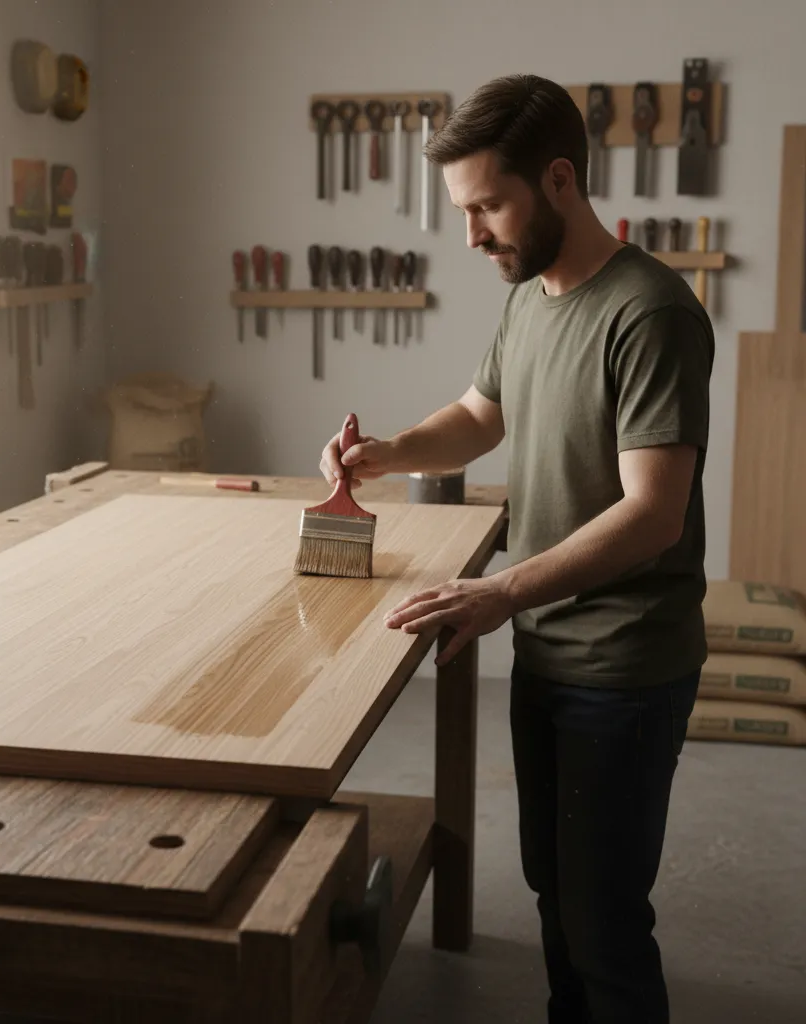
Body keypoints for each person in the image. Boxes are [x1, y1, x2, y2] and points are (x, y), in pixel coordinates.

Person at [319, 74, 713, 1024]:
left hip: (622, 664)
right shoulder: (534, 298)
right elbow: (477, 416)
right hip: (550, 646)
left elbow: (654, 513)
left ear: (561, 180)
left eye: (488, 205)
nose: (472, 235)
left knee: (606, 924)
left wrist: (500, 593)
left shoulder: (649, 312)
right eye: (464, 210)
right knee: (555, 894)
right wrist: (388, 453)